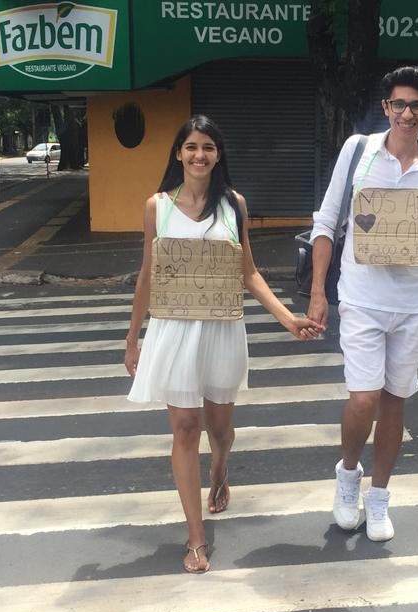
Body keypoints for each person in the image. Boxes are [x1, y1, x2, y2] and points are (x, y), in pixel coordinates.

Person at [126, 115, 321, 573]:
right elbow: (148, 274)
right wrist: (133, 335)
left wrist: (287, 317)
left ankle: (220, 468)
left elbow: (247, 271)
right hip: (173, 329)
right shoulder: (157, 206)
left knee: (219, 429)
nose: (199, 155)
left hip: (221, 329)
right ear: (178, 154)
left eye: (208, 147)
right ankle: (195, 539)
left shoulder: (234, 205)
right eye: (191, 147)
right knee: (184, 429)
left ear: (218, 155)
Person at [307, 66, 418, 542]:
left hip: (413, 303)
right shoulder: (359, 151)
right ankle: (348, 476)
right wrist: (319, 293)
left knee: (394, 401)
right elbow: (326, 223)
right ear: (386, 108)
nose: (408, 113)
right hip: (361, 299)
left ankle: (379, 496)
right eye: (399, 104)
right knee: (363, 398)